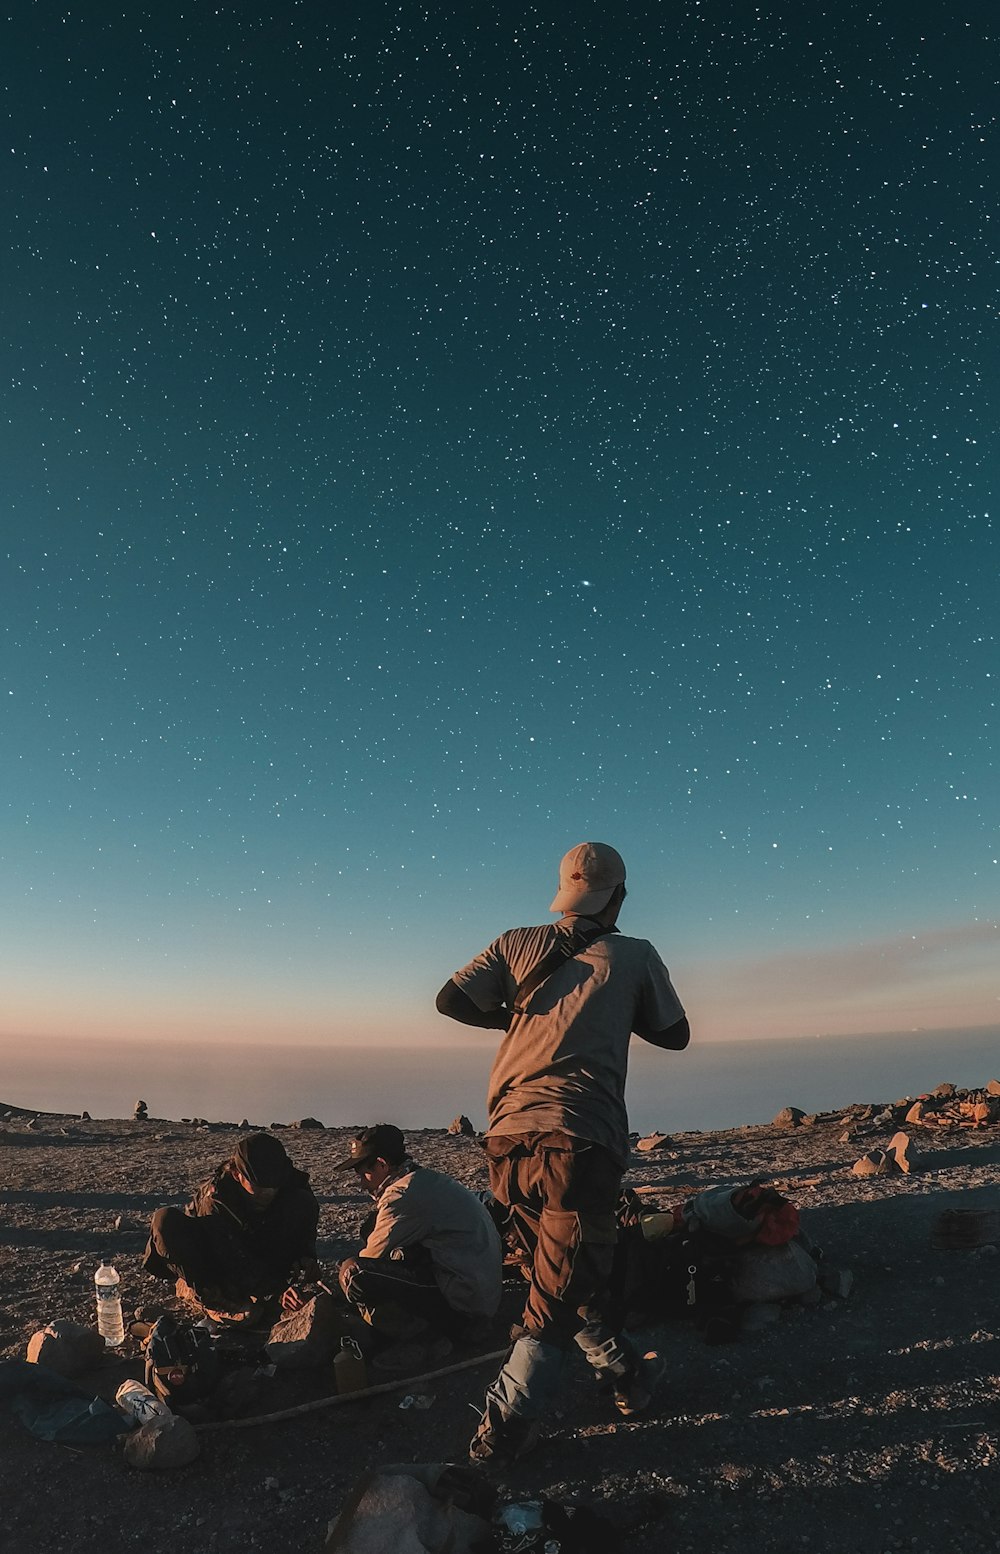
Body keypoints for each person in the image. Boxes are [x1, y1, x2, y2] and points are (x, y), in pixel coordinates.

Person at [436, 840, 690, 1466]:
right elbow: (675, 1034)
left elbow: (450, 1000)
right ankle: (504, 1427)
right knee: (550, 1298)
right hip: (578, 1141)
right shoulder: (633, 956)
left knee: (564, 1274)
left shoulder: (515, 943)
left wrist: (521, 1019)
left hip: (506, 1142)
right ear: (620, 895)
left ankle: (627, 1376)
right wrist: (607, 1009)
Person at [335, 1123, 502, 1342]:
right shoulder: (424, 1180)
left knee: (354, 1273)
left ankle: (426, 1338)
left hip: (465, 1302)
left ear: (382, 1165)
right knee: (372, 1229)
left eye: (364, 1174)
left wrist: (336, 1290)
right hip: (478, 1288)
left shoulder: (402, 1195)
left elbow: (369, 1258)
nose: (362, 1185)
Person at [143, 1132, 320, 1320]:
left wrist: (305, 1257)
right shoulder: (216, 1200)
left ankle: (246, 1293)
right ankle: (208, 1296)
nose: (267, 1193)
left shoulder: (292, 1184)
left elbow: (304, 1227)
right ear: (236, 1174)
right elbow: (231, 1257)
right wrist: (279, 1290)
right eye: (258, 1187)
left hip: (257, 1251)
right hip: (215, 1260)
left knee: (300, 1201)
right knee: (165, 1220)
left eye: (273, 1186)